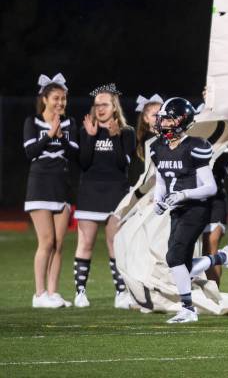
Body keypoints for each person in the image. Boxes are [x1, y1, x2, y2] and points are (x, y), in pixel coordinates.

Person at [151, 97, 228, 324]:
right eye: (162, 119)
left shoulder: (195, 146)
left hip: (196, 209)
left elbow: (210, 187)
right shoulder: (157, 148)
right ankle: (223, 257)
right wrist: (158, 201)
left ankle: (188, 309)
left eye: (168, 119)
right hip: (176, 210)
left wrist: (183, 194)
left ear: (181, 121)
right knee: (180, 263)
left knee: (173, 258)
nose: (162, 123)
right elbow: (162, 181)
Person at [73, 83, 134, 309]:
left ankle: (120, 293)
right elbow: (84, 163)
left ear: (114, 106)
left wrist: (115, 137)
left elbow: (122, 165)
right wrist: (89, 137)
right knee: (85, 243)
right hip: (90, 191)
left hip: (115, 193)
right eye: (97, 104)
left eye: (105, 104)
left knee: (114, 243)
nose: (100, 108)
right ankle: (80, 292)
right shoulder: (86, 130)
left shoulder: (126, 132)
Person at [24, 73, 77, 308]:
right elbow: (30, 152)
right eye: (56, 98)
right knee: (45, 241)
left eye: (63, 99)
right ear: (45, 99)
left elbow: (74, 153)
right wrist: (48, 134)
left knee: (58, 243)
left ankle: (53, 292)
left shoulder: (70, 124)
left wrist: (61, 135)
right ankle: (39, 294)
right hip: (39, 186)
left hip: (61, 187)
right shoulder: (32, 122)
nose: (60, 103)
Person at [198, 88, 228, 284]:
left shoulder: (226, 124)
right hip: (193, 198)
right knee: (194, 248)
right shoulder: (195, 121)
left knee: (210, 244)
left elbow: (223, 165)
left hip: (215, 197)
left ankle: (213, 293)